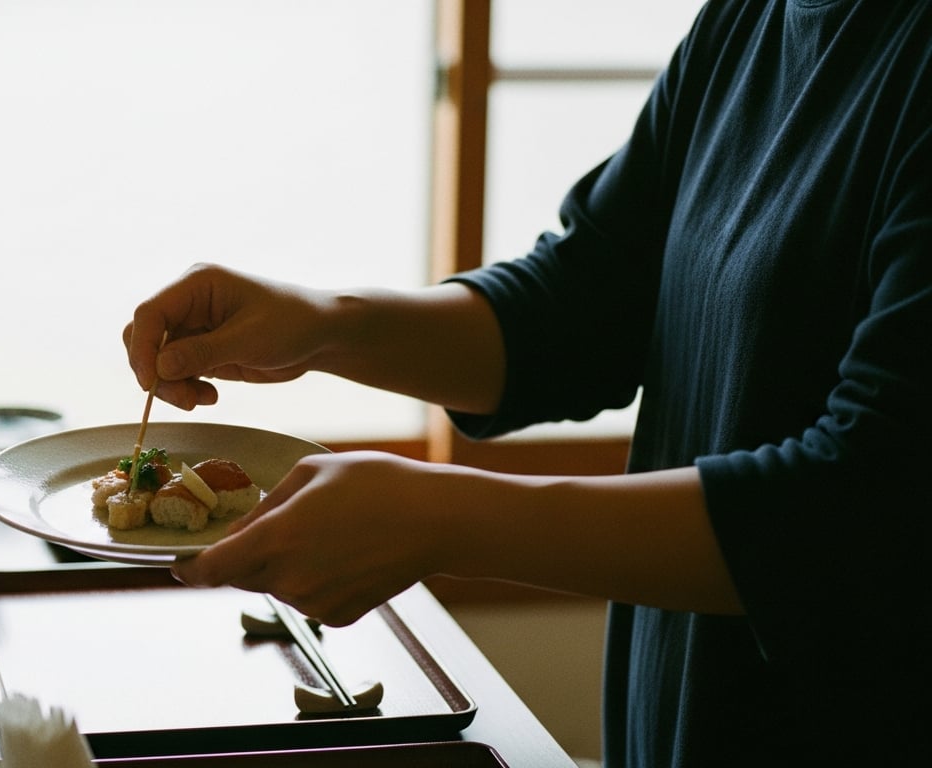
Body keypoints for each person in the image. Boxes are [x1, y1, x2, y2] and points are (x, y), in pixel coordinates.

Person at [122, 1, 931, 765]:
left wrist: (443, 522)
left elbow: (867, 507)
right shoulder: (748, 21)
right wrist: (325, 324)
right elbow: (585, 308)